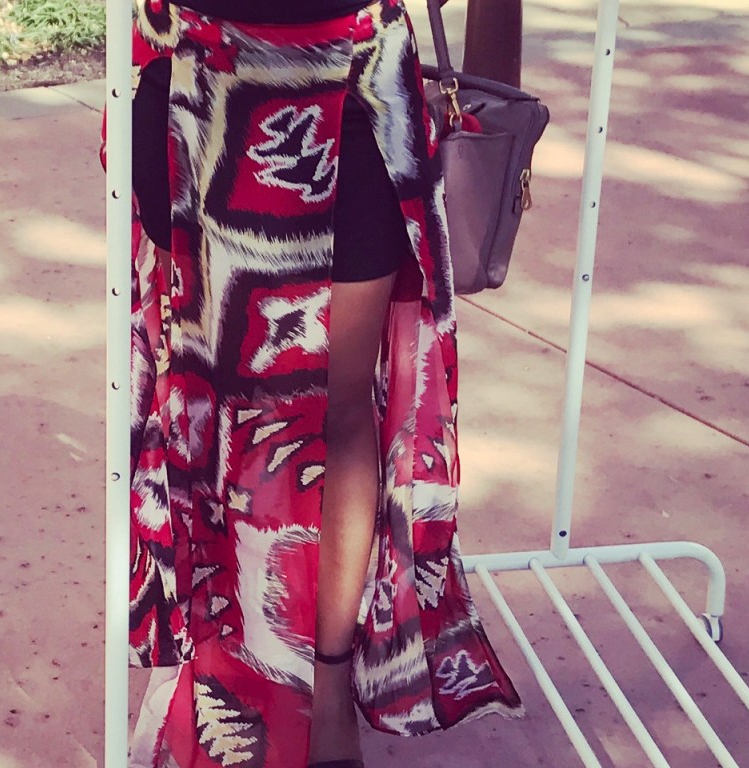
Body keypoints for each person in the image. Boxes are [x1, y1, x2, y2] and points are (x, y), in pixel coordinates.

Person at [112, 0, 523, 765]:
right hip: (196, 78)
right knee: (205, 400)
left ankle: (328, 692)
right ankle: (224, 673)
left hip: (351, 73)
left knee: (334, 413)